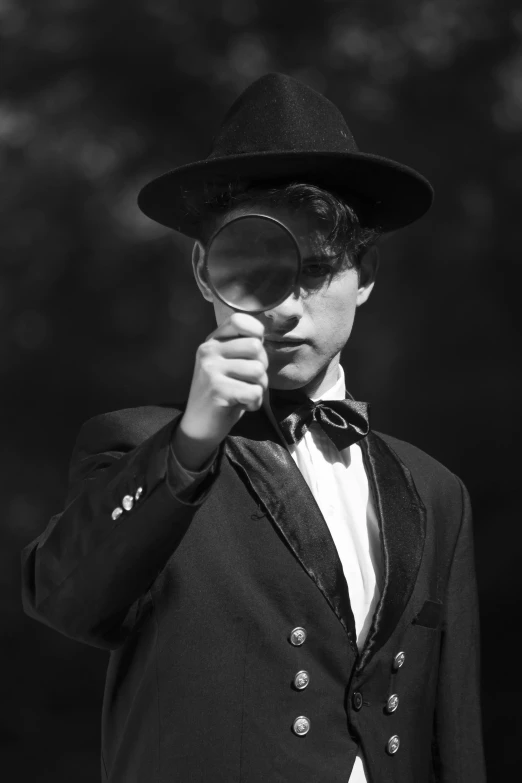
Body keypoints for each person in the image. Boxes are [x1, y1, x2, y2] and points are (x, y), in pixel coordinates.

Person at [21, 73, 486, 782]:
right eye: (259, 268)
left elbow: (453, 743)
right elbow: (62, 599)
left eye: (320, 269)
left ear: (365, 274)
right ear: (207, 273)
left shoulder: (435, 491)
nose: (289, 309)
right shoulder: (138, 445)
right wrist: (190, 446)